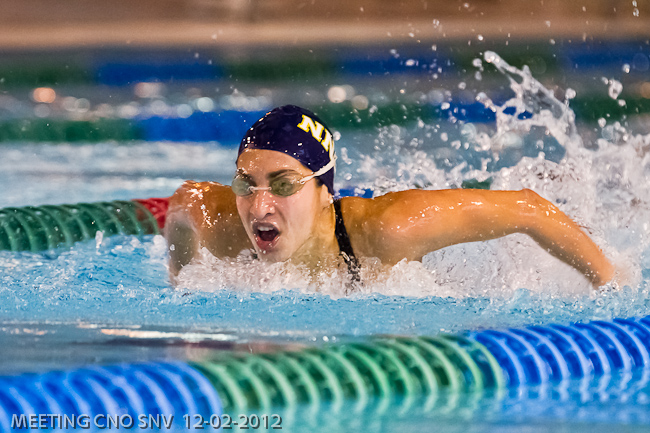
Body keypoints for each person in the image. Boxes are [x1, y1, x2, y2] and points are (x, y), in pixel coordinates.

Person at [165, 105, 615, 288]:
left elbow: (529, 208)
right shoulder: (223, 225)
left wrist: (611, 287)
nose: (259, 206)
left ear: (324, 192)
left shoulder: (388, 229)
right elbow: (184, 202)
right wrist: (181, 280)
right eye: (246, 184)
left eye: (284, 185)